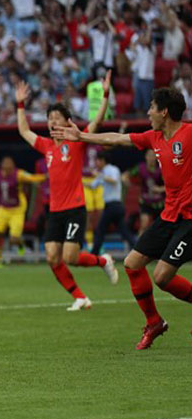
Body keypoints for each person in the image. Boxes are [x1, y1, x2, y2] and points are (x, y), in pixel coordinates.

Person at [52, 87, 192, 350]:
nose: (148, 112)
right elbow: (117, 138)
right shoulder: (154, 137)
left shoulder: (189, 133)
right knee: (132, 263)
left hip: (190, 219)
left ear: (164, 111)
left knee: (162, 277)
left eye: (152, 107)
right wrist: (81, 136)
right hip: (169, 215)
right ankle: (154, 322)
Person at [16, 73, 118, 312]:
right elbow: (23, 131)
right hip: (55, 211)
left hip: (74, 209)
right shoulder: (46, 145)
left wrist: (105, 95)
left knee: (71, 257)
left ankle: (104, 260)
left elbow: (97, 123)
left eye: (57, 117)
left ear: (67, 121)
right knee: (52, 256)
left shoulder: (77, 140)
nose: (52, 121)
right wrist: (20, 104)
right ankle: (81, 297)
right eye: (49, 118)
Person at [90, 154, 136, 255]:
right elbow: (92, 185)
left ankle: (94, 253)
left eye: (97, 160)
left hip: (114, 205)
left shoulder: (112, 169)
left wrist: (99, 175)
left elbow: (114, 180)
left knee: (100, 230)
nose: (96, 163)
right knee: (124, 231)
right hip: (111, 206)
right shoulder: (102, 173)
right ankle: (137, 249)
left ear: (102, 160)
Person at [124, 148, 164, 235]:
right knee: (144, 224)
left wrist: (159, 189)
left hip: (159, 203)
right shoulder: (140, 168)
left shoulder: (161, 169)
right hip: (145, 201)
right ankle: (138, 246)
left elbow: (170, 186)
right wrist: (128, 182)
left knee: (160, 227)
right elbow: (126, 175)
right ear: (146, 157)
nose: (151, 158)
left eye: (153, 156)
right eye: (149, 155)